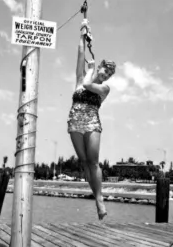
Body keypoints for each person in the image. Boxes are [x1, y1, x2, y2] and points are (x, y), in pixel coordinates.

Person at [67, 19, 116, 220]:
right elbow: (80, 54)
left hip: (92, 123)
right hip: (74, 122)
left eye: (110, 74)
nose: (107, 75)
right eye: (106, 70)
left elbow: (87, 85)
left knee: (94, 162)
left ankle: (99, 200)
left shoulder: (104, 89)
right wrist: (82, 32)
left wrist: (90, 70)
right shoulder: (81, 78)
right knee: (85, 162)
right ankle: (96, 196)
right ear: (101, 66)